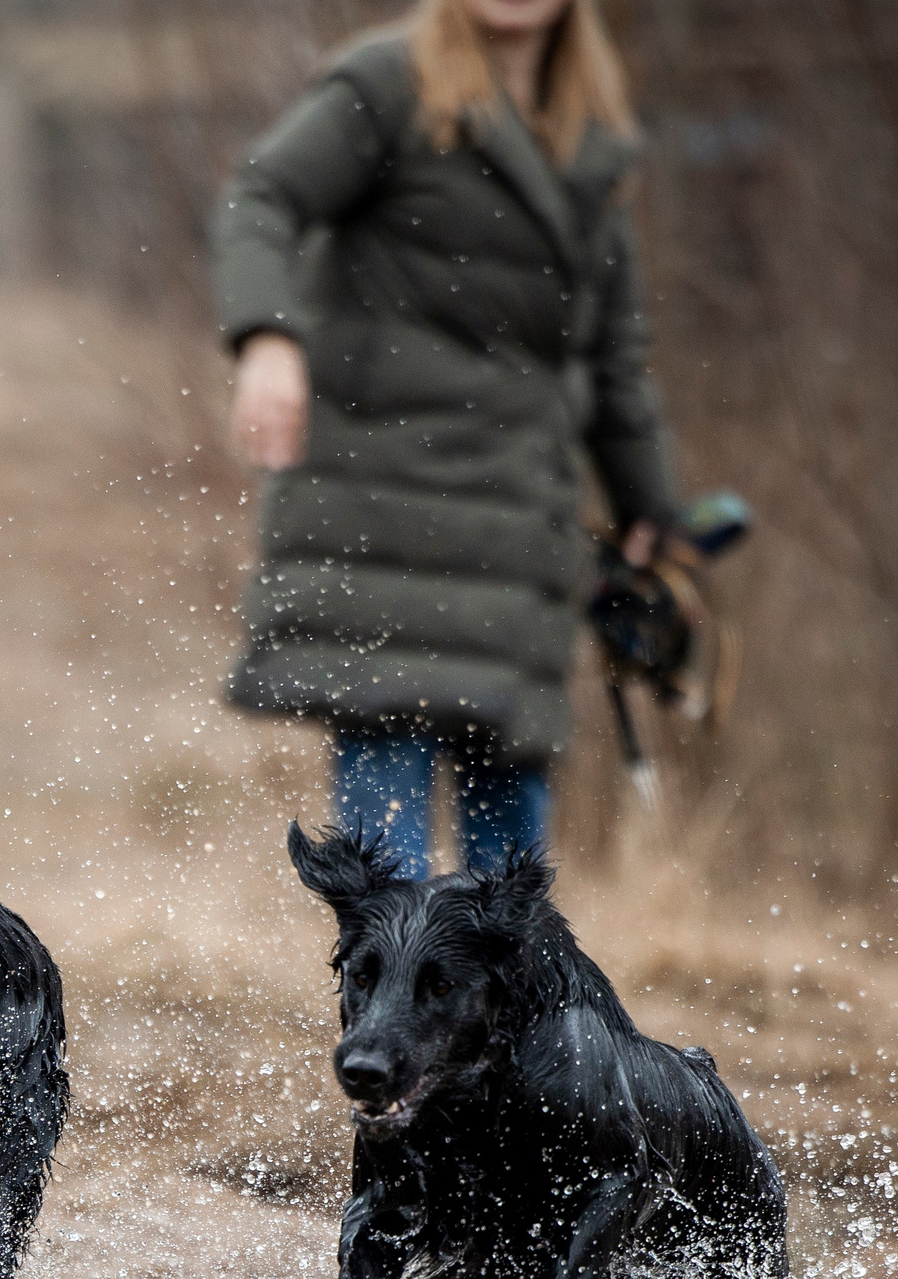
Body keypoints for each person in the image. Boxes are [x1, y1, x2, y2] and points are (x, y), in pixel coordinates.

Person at [214, 0, 673, 878]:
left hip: (515, 545)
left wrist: (653, 509)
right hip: (384, 530)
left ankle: (507, 1024)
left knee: (511, 908)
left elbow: (616, 360)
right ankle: (389, 1017)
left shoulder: (593, 141)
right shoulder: (389, 83)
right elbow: (259, 196)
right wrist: (266, 336)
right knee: (390, 891)